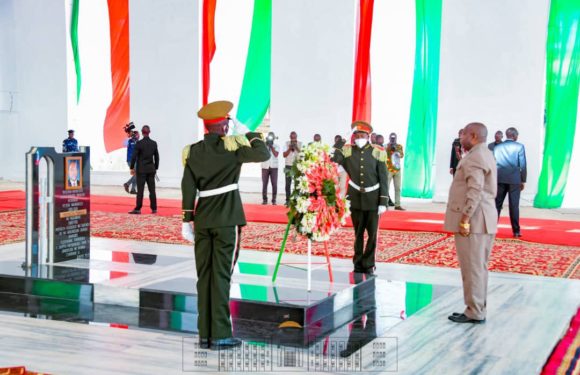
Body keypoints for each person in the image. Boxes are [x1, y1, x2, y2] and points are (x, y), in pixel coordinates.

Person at [181, 100, 269, 350]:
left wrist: (187, 219)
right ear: (223, 126)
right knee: (220, 277)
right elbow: (263, 153)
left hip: (204, 220)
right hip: (226, 220)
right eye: (228, 122)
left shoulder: (193, 151)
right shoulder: (232, 147)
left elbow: (188, 187)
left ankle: (205, 334)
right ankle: (219, 334)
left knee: (204, 277)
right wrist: (249, 133)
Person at [444, 122, 497, 324]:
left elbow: (475, 190)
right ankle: (476, 307)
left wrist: (465, 219)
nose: (461, 137)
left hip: (474, 221)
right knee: (478, 267)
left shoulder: (475, 157)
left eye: (464, 134)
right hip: (483, 218)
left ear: (473, 135)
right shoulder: (484, 152)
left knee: (472, 267)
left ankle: (475, 310)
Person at [332, 121, 388, 275]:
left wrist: (383, 200)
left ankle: (369, 264)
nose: (359, 137)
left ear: (368, 136)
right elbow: (334, 160)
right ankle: (357, 263)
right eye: (356, 135)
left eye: (362, 135)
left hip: (373, 198)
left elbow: (383, 177)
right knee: (357, 234)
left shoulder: (378, 152)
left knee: (372, 234)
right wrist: (339, 143)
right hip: (356, 197)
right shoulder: (348, 151)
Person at [494, 127, 527, 237]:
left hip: (499, 178)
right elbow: (522, 165)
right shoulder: (520, 146)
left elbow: (494, 163)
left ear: (507, 135)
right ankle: (516, 231)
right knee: (514, 206)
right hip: (514, 180)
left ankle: (491, 229)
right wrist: (523, 180)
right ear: (514, 136)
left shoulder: (498, 147)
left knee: (496, 205)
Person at [128, 125, 159, 215]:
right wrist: (155, 167)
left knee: (140, 190)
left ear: (142, 132)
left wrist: (131, 167)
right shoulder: (154, 143)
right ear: (149, 132)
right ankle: (154, 208)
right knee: (152, 190)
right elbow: (157, 157)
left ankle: (138, 209)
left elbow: (134, 157)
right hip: (151, 170)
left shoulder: (139, 143)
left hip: (141, 170)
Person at [386, 133, 405, 211]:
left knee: (397, 188)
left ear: (396, 138)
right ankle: (385, 204)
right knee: (386, 187)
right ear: (389, 138)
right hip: (388, 169)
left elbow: (401, 155)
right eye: (391, 138)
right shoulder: (386, 146)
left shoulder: (399, 146)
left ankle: (397, 205)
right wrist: (389, 147)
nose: (393, 139)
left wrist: (396, 150)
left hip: (397, 170)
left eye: (394, 138)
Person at [282, 132, 302, 206]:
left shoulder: (300, 144)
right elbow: (284, 155)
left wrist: (296, 147)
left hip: (297, 166)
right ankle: (288, 200)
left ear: (296, 137)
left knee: (297, 184)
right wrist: (290, 148)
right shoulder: (286, 144)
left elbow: (302, 154)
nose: (293, 139)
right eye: (292, 138)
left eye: (294, 138)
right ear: (290, 137)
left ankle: (296, 199)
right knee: (288, 184)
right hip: (288, 166)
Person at [261, 131, 280, 205]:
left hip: (274, 167)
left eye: (272, 137)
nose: (270, 138)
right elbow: (262, 154)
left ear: (274, 138)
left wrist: (271, 146)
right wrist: (266, 145)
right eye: (269, 136)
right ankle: (264, 200)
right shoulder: (264, 145)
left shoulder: (277, 146)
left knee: (274, 184)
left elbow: (276, 154)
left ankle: (274, 200)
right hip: (264, 166)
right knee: (264, 184)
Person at [123, 130, 139, 194]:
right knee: (137, 174)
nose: (138, 136)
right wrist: (132, 138)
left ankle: (133, 190)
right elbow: (133, 147)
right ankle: (127, 184)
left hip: (135, 161)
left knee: (136, 174)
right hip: (131, 160)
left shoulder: (136, 142)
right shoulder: (131, 141)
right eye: (137, 135)